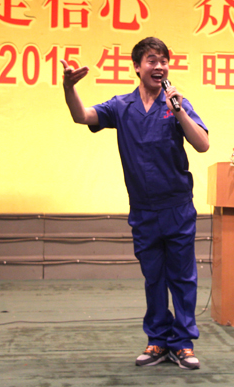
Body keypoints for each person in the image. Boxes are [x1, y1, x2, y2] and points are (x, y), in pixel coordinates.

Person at [60, 37, 209, 370]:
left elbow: (202, 144)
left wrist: (179, 111)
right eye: (152, 60)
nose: (160, 67)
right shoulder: (121, 106)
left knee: (183, 278)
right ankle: (157, 340)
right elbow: (82, 116)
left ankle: (183, 344)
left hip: (177, 206)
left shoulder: (177, 103)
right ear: (137, 67)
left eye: (164, 61)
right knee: (153, 277)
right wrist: (69, 88)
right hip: (143, 210)